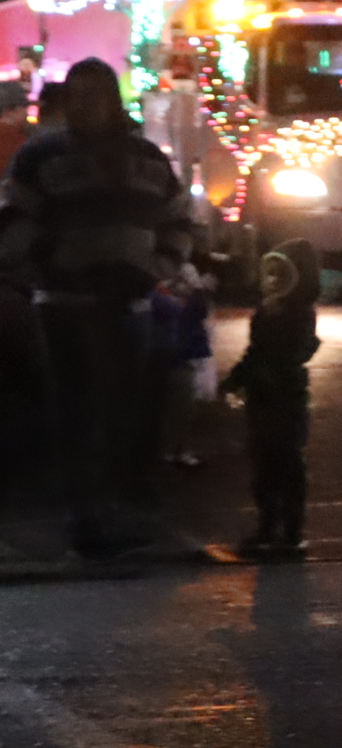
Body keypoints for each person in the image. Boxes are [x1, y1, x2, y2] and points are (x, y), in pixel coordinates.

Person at [0, 58, 194, 555]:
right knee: (77, 409)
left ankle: (114, 509)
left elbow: (177, 218)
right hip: (65, 304)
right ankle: (86, 517)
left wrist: (159, 268)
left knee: (122, 410)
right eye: (78, 96)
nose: (87, 106)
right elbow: (15, 221)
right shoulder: (40, 159)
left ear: (113, 99)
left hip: (131, 305)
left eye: (97, 95)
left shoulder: (148, 159)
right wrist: (53, 265)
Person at [224, 240, 320, 557]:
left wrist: (262, 373)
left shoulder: (299, 313)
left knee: (287, 463)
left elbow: (290, 352)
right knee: (264, 465)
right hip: (264, 397)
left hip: (285, 397)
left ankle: (290, 531)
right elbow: (255, 351)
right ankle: (268, 527)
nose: (275, 280)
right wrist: (237, 379)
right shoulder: (267, 310)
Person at [152, 261, 215, 469]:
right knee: (176, 406)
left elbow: (199, 311)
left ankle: (177, 449)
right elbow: (185, 311)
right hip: (176, 356)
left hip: (184, 356)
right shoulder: (161, 296)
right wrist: (196, 290)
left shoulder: (176, 296)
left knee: (183, 407)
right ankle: (171, 451)